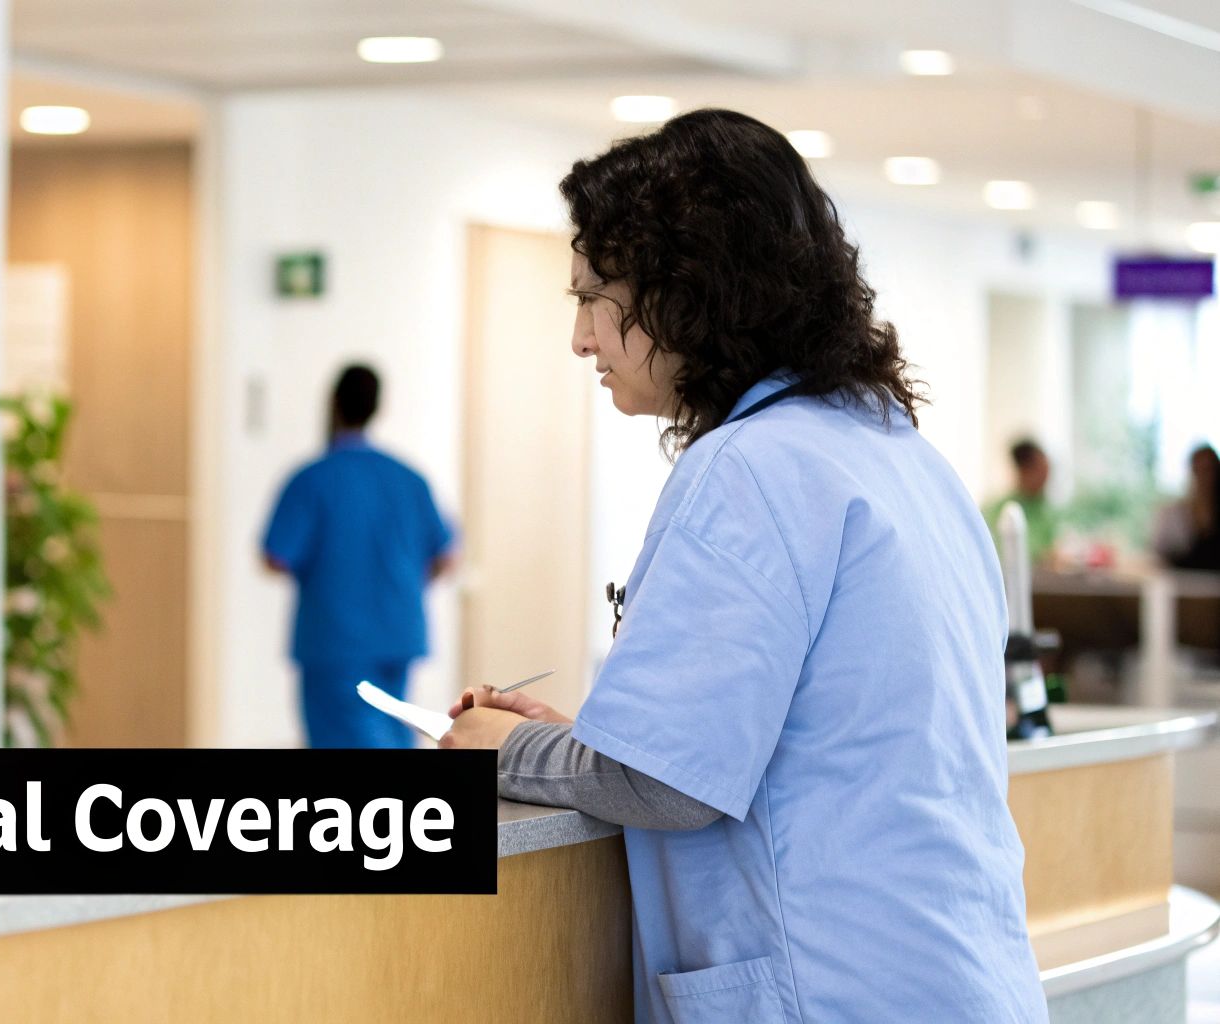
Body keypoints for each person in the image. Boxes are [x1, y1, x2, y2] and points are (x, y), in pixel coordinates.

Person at [443, 110, 1046, 1021]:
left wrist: (510, 749)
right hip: (956, 980)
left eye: (593, 295)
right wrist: (595, 740)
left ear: (689, 289)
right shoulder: (897, 455)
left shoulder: (749, 468)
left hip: (835, 992)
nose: (579, 338)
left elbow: (669, 783)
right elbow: (778, 739)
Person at [260, 364, 454, 748]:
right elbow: (446, 554)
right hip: (397, 633)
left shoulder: (312, 479)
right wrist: (400, 585)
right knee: (392, 732)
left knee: (347, 739)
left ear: (334, 402)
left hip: (334, 639)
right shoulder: (408, 479)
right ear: (376, 407)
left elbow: (276, 555)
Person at [985, 438, 1058, 563]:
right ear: (1024, 471)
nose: (1046, 478)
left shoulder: (1045, 511)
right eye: (1041, 471)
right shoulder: (1000, 511)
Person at [1153, 444, 1220, 571]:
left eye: (1209, 469)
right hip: (1182, 585)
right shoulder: (1172, 513)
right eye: (1199, 469)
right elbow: (1160, 553)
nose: (1205, 477)